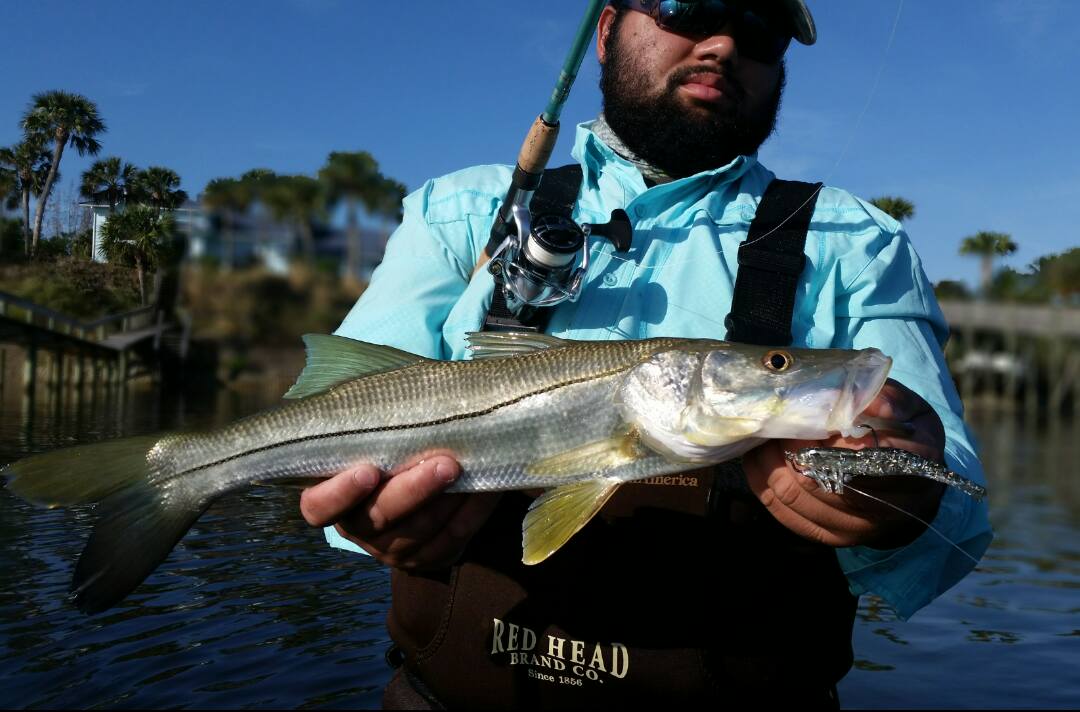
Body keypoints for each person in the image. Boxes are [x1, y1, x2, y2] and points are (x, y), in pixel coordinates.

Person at [300, 1, 993, 707]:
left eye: (758, 29)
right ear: (606, 32)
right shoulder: (459, 211)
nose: (724, 41)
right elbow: (339, 413)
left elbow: (956, 508)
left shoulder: (862, 242)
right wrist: (367, 520)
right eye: (687, 6)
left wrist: (911, 495)